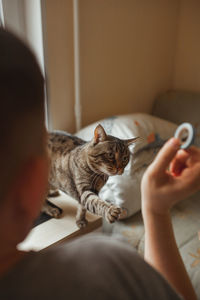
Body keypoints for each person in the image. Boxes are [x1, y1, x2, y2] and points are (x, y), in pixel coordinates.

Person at [0, 27, 199, 300]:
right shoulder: (106, 266)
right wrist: (156, 210)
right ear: (37, 179)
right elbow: (87, 196)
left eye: (122, 163)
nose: (117, 169)